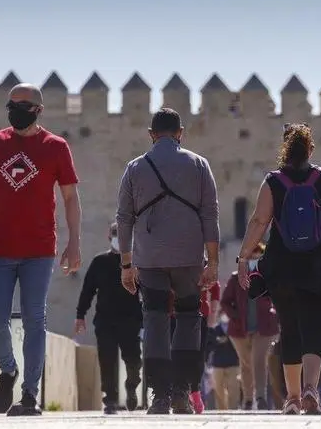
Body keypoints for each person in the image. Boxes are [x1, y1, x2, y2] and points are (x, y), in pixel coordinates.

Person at [0, 82, 82, 416]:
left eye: (23, 105)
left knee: (35, 319)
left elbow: (70, 197)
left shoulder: (56, 147)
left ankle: (29, 395)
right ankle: (9, 369)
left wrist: (74, 242)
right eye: (11, 104)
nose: (15, 110)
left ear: (38, 110)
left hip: (40, 251)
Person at [234, 122, 321, 415]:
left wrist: (244, 257)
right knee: (313, 326)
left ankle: (294, 398)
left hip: (282, 266)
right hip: (320, 266)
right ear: (311, 149)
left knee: (289, 329)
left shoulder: (273, 181)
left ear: (284, 148)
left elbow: (259, 222)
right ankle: (312, 389)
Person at [117, 108, 220, 415]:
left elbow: (124, 218)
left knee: (155, 319)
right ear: (180, 133)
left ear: (151, 134)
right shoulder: (199, 165)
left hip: (149, 258)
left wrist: (126, 263)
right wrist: (212, 263)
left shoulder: (135, 167)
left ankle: (159, 395)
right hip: (189, 257)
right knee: (188, 319)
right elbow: (210, 215)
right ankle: (180, 393)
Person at [74, 222, 143, 414]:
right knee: (107, 360)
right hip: (105, 321)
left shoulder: (137, 262)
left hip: (131, 320)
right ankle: (110, 400)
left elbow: (146, 289)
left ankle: (131, 386)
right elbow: (88, 290)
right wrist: (80, 315)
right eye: (115, 234)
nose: (118, 238)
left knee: (134, 360)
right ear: (109, 236)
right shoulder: (99, 262)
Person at [221, 246, 279, 411]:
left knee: (259, 361)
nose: (256, 256)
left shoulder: (268, 277)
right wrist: (236, 316)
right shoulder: (235, 278)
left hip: (265, 328)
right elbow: (225, 302)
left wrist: (275, 315)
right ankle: (247, 399)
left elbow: (279, 298)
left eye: (259, 254)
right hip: (240, 330)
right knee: (246, 364)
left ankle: (260, 397)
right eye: (253, 253)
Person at [170, 279, 221, 413]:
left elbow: (215, 288)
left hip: (200, 314)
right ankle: (180, 393)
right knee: (177, 356)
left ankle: (194, 391)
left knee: (198, 356)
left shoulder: (201, 262)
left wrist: (213, 313)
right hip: (172, 314)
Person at [206, 313, 241, 410]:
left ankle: (233, 409)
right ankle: (221, 411)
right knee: (219, 390)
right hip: (217, 364)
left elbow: (240, 344)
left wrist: (229, 340)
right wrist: (217, 341)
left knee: (233, 389)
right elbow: (209, 345)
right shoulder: (215, 329)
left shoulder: (234, 327)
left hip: (233, 363)